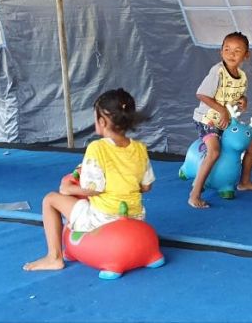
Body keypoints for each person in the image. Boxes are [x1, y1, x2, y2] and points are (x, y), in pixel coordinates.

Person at [24, 88, 156, 271]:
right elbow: (147, 186)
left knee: (50, 199)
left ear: (101, 121)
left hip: (103, 217)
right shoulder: (140, 148)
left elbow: (93, 188)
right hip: (136, 215)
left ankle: (54, 257)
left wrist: (68, 189)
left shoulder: (97, 148)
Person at [188, 32, 252, 209]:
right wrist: (222, 110)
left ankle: (244, 182)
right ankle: (195, 194)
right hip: (207, 121)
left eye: (237, 50)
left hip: (225, 121)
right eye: (227, 49)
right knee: (214, 151)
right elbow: (201, 94)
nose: (231, 54)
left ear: (246, 55)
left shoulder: (242, 76)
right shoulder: (218, 72)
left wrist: (243, 99)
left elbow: (238, 95)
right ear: (221, 52)